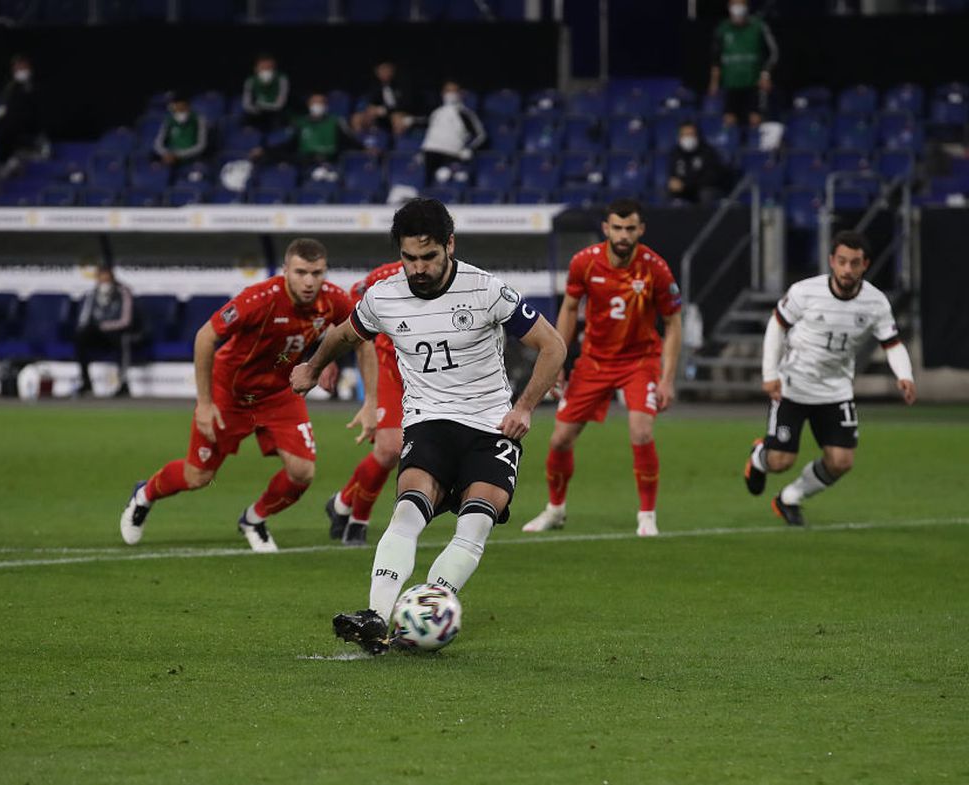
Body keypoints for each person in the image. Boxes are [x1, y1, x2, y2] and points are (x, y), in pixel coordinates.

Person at [291, 198, 566, 654]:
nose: (418, 268)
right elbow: (343, 333)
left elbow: (552, 346)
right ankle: (377, 618)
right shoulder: (383, 296)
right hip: (429, 420)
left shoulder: (487, 290)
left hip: (490, 425)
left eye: (428, 257)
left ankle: (428, 609)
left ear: (449, 246)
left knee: (476, 522)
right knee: (406, 511)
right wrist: (312, 365)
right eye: (409, 258)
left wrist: (524, 408)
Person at [118, 238, 375, 553]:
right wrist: (205, 402)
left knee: (302, 472)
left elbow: (361, 339)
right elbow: (205, 336)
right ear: (285, 271)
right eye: (301, 272)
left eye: (317, 273)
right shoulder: (259, 299)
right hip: (231, 394)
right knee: (197, 475)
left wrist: (364, 395)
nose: (309, 281)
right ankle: (144, 494)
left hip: (281, 393)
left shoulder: (333, 299)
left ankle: (254, 519)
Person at [522, 199, 682, 538]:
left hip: (640, 361)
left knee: (641, 431)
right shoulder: (584, 262)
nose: (624, 235)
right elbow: (568, 309)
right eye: (618, 228)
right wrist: (558, 361)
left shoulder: (655, 268)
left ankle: (647, 516)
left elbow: (673, 322)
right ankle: (555, 509)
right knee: (561, 438)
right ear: (606, 229)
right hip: (594, 361)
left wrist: (667, 379)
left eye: (630, 228)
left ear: (641, 230)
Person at [743, 231, 916, 526]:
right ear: (831, 262)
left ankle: (789, 498)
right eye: (842, 262)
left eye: (855, 263)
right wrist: (770, 374)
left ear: (866, 265)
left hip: (836, 390)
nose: (848, 269)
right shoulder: (805, 292)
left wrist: (905, 375)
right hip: (793, 386)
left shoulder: (876, 303)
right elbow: (777, 325)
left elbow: (892, 343)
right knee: (781, 462)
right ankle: (760, 456)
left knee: (841, 462)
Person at [324, 259, 405, 547]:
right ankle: (358, 522)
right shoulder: (382, 277)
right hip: (388, 367)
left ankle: (342, 502)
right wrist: (328, 357)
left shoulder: (462, 281)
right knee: (390, 448)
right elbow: (345, 313)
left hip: (429, 376)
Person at [709, 0, 779, 128]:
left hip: (753, 85)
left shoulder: (759, 26)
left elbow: (773, 53)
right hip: (730, 85)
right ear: (729, 7)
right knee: (729, 122)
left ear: (747, 6)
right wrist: (714, 82)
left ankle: (754, 146)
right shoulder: (722, 29)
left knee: (755, 120)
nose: (738, 8)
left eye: (741, 4)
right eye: (734, 4)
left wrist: (765, 74)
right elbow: (716, 59)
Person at [74, 265, 139, 396]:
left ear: (112, 278)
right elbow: (84, 319)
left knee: (122, 339)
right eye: (101, 278)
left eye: (107, 278)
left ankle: (123, 383)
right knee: (81, 337)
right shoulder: (92, 294)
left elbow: (126, 320)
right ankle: (86, 382)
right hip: (99, 334)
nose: (104, 282)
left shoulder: (123, 292)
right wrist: (89, 328)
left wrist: (105, 326)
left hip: (117, 332)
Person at [415, 81, 486, 183]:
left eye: (454, 91)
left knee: (446, 177)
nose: (450, 94)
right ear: (442, 93)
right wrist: (422, 151)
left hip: (451, 154)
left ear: (460, 94)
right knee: (422, 186)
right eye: (448, 91)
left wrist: (469, 149)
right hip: (429, 153)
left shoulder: (465, 113)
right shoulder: (436, 112)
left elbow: (480, 135)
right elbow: (429, 133)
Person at [0, 54, 47, 164]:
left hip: (31, 130)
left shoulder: (36, 87)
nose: (20, 71)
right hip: (12, 132)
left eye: (23, 68)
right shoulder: (10, 88)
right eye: (17, 68)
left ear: (29, 68)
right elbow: (4, 110)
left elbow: (37, 114)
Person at [666, 120, 729, 205]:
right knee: (666, 192)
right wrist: (673, 182)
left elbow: (711, 178)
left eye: (691, 134)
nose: (688, 138)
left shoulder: (708, 152)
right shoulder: (675, 153)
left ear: (697, 136)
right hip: (684, 191)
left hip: (702, 189)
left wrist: (686, 184)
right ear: (679, 137)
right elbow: (672, 174)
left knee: (706, 193)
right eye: (684, 135)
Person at [352, 60, 413, 135]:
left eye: (387, 69)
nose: (384, 72)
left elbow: (405, 105)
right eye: (381, 70)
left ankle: (398, 144)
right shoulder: (375, 86)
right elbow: (372, 102)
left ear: (392, 70)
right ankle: (362, 143)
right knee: (357, 118)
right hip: (383, 117)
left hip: (403, 114)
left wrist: (383, 110)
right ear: (376, 72)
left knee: (396, 118)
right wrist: (370, 110)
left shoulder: (403, 83)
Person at [241, 54, 290, 134]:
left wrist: (262, 107)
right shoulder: (250, 81)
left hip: (276, 112)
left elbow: (280, 104)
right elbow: (246, 103)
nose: (266, 71)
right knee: (248, 120)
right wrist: (255, 109)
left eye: (269, 68)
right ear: (256, 69)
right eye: (263, 68)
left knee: (278, 119)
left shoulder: (281, 78)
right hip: (258, 113)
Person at [152, 97, 208, 165]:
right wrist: (165, 153)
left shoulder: (198, 120)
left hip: (191, 160)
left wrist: (177, 155)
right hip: (169, 158)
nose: (179, 112)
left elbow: (201, 145)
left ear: (188, 107)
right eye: (176, 109)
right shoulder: (169, 120)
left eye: (182, 109)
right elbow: (158, 143)